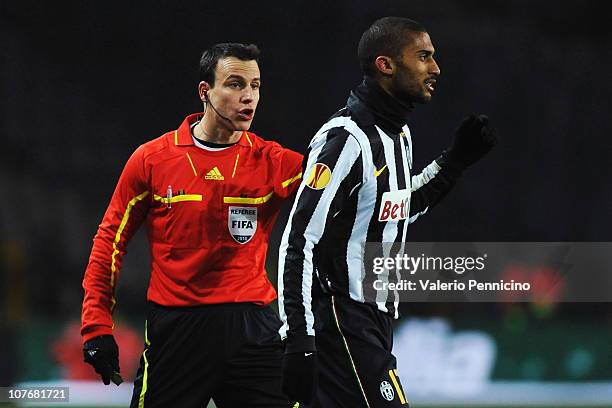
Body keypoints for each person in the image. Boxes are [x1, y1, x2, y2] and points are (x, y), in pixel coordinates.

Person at [278, 17, 497, 407]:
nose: (435, 68)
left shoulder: (399, 135)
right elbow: (299, 240)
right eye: (424, 57)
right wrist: (299, 337)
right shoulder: (345, 139)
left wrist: (455, 162)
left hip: (372, 319)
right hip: (341, 318)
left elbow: (396, 210)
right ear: (386, 65)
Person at [81, 43, 303, 408]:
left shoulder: (275, 161)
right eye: (234, 84)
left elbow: (344, 195)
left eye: (256, 86)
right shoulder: (152, 160)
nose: (248, 97)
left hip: (253, 328)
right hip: (178, 330)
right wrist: (97, 325)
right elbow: (109, 242)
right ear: (205, 91)